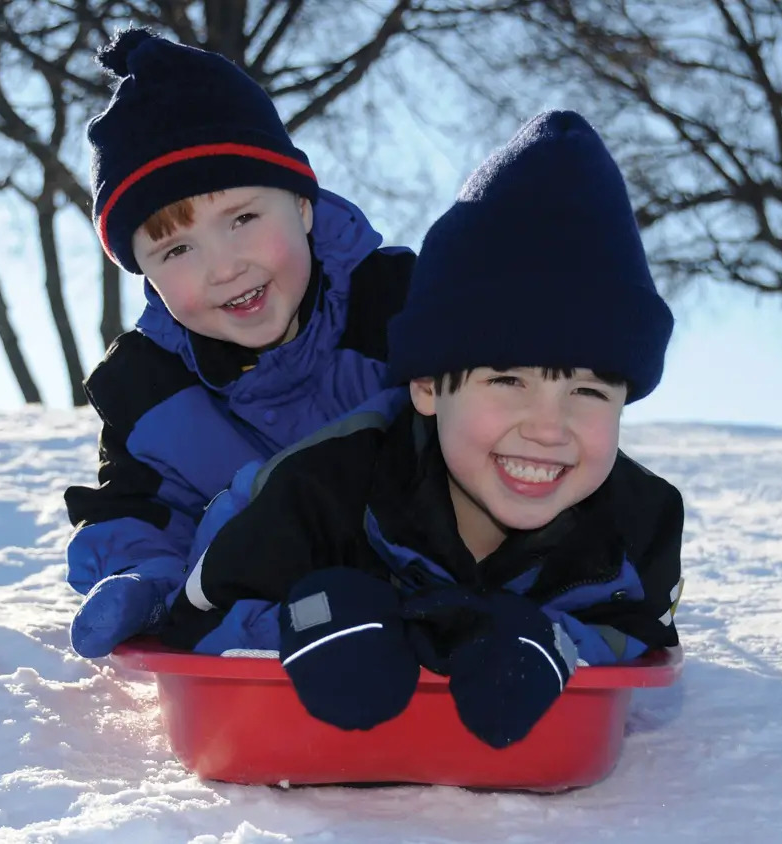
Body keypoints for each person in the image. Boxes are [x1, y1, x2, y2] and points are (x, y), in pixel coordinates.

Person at [161, 110, 685, 749]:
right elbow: (190, 621)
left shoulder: (640, 522)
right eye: (509, 381)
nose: (550, 428)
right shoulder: (323, 487)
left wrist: (558, 644)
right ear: (429, 387)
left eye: (588, 391)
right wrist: (302, 623)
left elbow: (641, 635)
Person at [63, 28, 414, 659]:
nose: (223, 269)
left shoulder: (399, 307)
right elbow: (140, 513)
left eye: (243, 219)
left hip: (432, 610)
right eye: (176, 249)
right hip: (257, 643)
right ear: (144, 271)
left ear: (303, 207)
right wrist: (144, 581)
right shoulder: (148, 388)